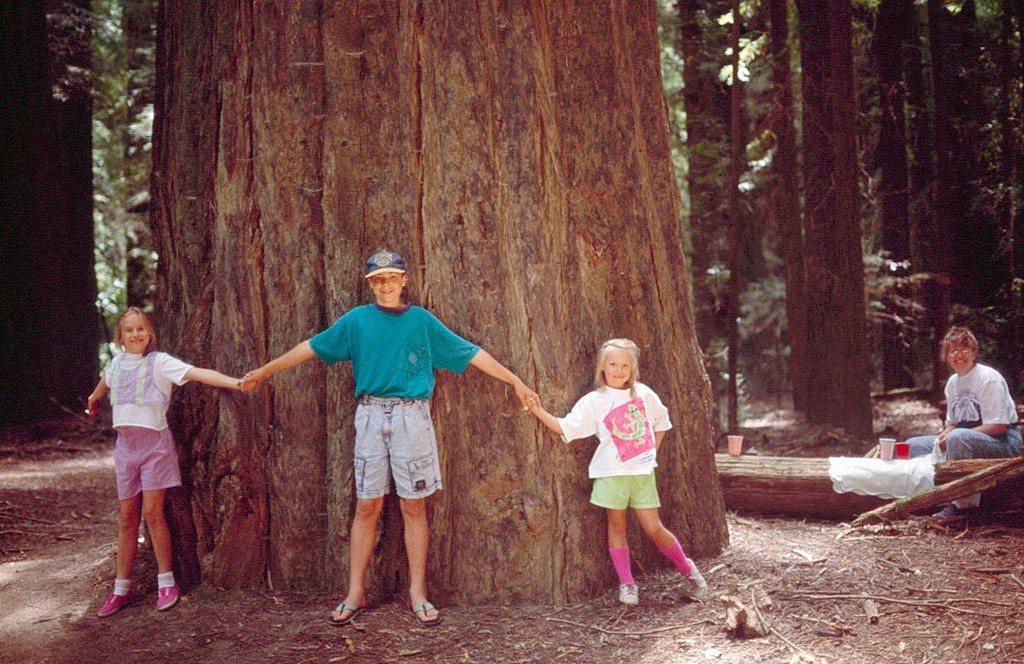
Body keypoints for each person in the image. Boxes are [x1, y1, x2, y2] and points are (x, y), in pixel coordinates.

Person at [240, 249, 537, 626]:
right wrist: (265, 371)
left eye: (392, 278)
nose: (385, 285)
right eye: (378, 280)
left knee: (414, 505)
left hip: (412, 417)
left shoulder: (422, 323)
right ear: (371, 284)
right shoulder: (357, 321)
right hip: (370, 415)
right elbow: (310, 347)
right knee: (367, 505)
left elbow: (471, 352)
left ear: (404, 281)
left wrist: (515, 381)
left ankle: (417, 591)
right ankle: (355, 592)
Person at [525, 338, 707, 606]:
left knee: (654, 528)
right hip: (610, 474)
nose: (619, 370)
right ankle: (627, 584)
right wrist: (538, 411)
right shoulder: (594, 401)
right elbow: (565, 427)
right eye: (613, 364)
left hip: (643, 474)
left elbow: (663, 422)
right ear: (602, 367)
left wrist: (651, 452)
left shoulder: (644, 394)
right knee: (617, 525)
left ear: (633, 368)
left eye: (625, 365)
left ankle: (690, 573)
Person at [86, 307, 242, 617]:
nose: (135, 334)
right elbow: (105, 384)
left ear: (150, 334)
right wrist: (93, 399)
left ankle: (166, 581)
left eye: (141, 328)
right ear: (120, 336)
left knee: (153, 513)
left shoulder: (160, 363)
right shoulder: (116, 364)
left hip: (155, 447)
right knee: (128, 518)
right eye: (129, 330)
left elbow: (197, 373)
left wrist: (235, 383)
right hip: (126, 450)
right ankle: (121, 589)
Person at [907, 326, 1022, 517]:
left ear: (974, 353)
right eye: (953, 351)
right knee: (914, 445)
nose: (959, 355)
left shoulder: (988, 379)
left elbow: (998, 426)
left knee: (958, 438)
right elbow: (953, 422)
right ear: (947, 356)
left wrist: (954, 434)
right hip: (966, 436)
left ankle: (962, 506)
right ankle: (920, 497)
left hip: (1004, 442)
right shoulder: (953, 382)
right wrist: (947, 431)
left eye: (964, 350)